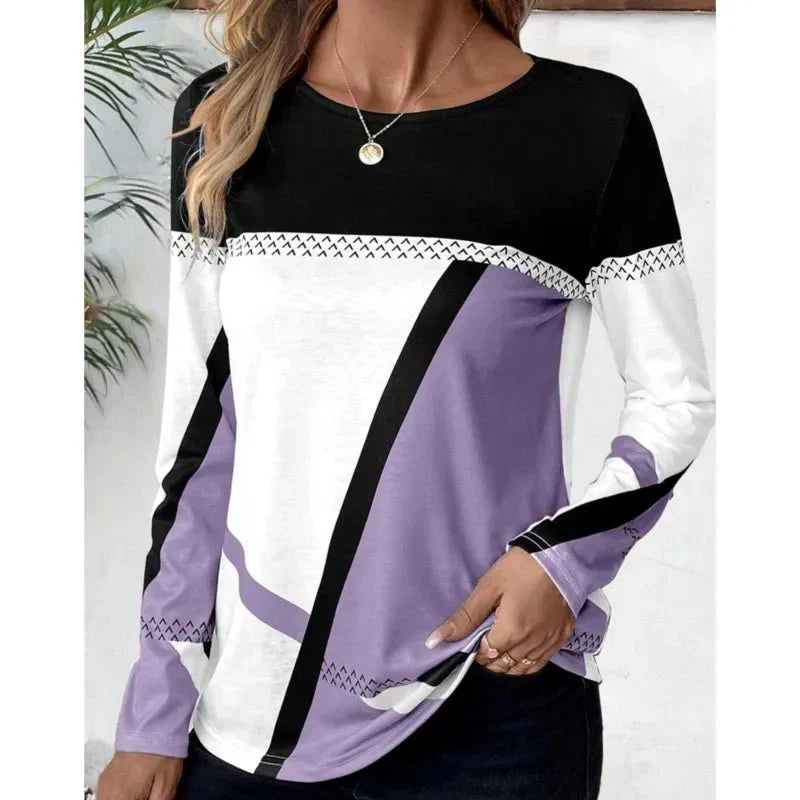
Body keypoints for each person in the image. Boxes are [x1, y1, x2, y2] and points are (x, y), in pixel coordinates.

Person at [98, 0, 715, 798]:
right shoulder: (225, 116)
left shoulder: (587, 122)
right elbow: (198, 444)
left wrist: (560, 562)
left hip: (493, 704)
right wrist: (154, 711)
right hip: (255, 713)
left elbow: (676, 396)